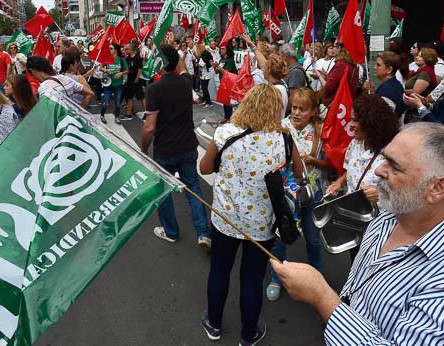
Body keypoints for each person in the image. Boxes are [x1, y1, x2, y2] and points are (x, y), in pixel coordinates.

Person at [271, 122, 444, 345]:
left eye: (394, 166)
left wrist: (322, 297)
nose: (378, 170)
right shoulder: (393, 210)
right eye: (384, 159)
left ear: (437, 188)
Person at [198, 84, 302, 346]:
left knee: (220, 271)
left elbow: (205, 167)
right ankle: (248, 334)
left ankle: (213, 324)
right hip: (263, 223)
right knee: (252, 278)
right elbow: (299, 174)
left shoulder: (225, 133)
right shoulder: (284, 137)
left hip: (225, 218)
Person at [141, 44, 211, 249]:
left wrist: (144, 147)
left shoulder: (155, 89)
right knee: (194, 189)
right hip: (188, 146)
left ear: (160, 63)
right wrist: (175, 52)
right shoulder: (185, 81)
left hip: (165, 150)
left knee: (163, 192)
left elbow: (149, 127)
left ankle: (170, 231)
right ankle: (203, 233)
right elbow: (182, 68)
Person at [267, 88, 334, 301]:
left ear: (313, 111)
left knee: (313, 238)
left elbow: (330, 165)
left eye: (303, 109)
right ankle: (277, 278)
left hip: (311, 194)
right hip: (286, 195)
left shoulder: (321, 132)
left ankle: (316, 277)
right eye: (294, 107)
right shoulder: (280, 128)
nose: (296, 113)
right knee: (279, 238)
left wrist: (314, 161)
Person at [325, 94, 400, 198]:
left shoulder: (394, 154)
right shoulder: (355, 143)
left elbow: (406, 194)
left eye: (354, 120)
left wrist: (382, 194)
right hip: (352, 210)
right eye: (350, 119)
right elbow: (351, 170)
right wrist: (339, 182)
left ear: (371, 123)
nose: (350, 124)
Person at [26, 55, 94, 103]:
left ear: (32, 71)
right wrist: (80, 111)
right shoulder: (65, 78)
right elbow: (90, 93)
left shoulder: (44, 88)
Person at [362, 51, 405, 116]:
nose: (374, 67)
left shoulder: (389, 91)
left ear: (389, 70)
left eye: (378, 65)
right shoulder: (393, 85)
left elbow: (382, 119)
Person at [99, 43, 129, 124]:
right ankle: (102, 115)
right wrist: (106, 70)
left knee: (118, 102)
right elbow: (100, 67)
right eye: (109, 48)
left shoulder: (122, 60)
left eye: (111, 48)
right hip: (108, 84)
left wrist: (121, 74)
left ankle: (117, 117)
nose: (109, 50)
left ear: (116, 50)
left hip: (118, 84)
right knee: (106, 102)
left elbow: (127, 70)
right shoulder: (107, 58)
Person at [213, 42, 237, 120]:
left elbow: (228, 73)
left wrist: (219, 68)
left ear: (227, 50)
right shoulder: (221, 60)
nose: (221, 50)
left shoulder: (230, 60)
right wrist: (215, 67)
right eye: (220, 49)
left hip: (229, 83)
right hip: (222, 82)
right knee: (224, 101)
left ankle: (230, 118)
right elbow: (217, 72)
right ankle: (226, 117)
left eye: (223, 49)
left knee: (229, 102)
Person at [122, 42, 145, 119]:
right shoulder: (128, 58)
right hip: (129, 80)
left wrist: (136, 80)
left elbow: (140, 70)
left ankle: (147, 113)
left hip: (137, 81)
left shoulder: (137, 58)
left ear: (131, 50)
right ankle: (129, 113)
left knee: (141, 96)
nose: (125, 51)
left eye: (126, 49)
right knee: (129, 97)